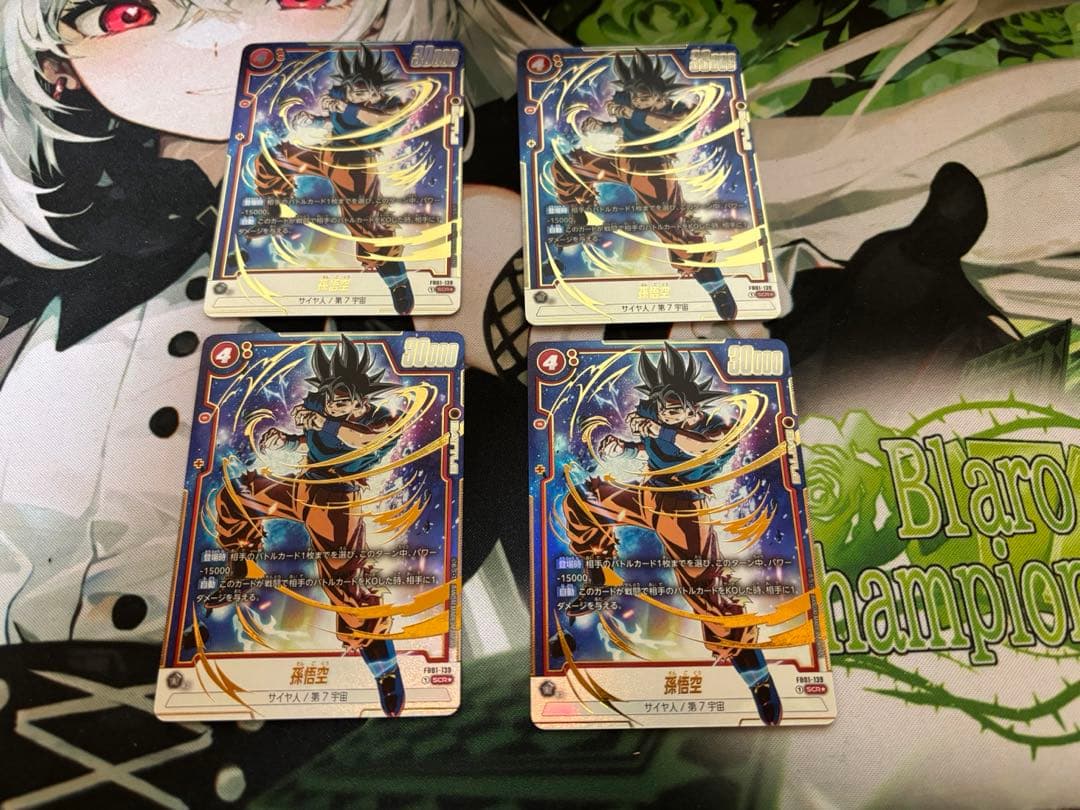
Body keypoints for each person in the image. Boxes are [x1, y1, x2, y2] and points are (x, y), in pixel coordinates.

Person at [562, 344, 781, 724]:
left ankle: (758, 679)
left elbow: (700, 448)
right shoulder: (659, 418)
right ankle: (599, 579)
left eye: (673, 406)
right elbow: (651, 449)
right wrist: (625, 447)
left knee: (707, 595)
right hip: (648, 496)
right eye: (661, 405)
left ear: (693, 406)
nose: (664, 412)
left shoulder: (717, 427)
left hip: (685, 511)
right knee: (583, 500)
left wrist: (660, 430)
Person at [212, 335, 406, 715]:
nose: (332, 404)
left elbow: (361, 441)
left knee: (345, 590)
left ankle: (385, 671)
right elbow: (317, 439)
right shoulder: (325, 409)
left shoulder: (383, 419)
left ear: (361, 400)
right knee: (236, 495)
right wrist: (290, 438)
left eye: (342, 399)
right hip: (301, 488)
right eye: (329, 397)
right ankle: (241, 571)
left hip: (337, 505)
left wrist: (324, 422)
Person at [552, 50, 738, 319]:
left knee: (673, 228)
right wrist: (600, 126)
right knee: (569, 165)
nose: (637, 99)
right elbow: (623, 131)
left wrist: (631, 113)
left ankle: (716, 287)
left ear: (660, 95)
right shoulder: (632, 107)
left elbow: (665, 127)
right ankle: (579, 220)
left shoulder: (675, 111)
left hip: (653, 171)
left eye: (644, 95)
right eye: (634, 94)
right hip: (622, 160)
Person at [253, 47, 418, 314]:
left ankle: (397, 282)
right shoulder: (345, 99)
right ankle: (273, 210)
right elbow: (339, 122)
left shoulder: (386, 108)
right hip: (327, 153)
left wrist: (345, 107)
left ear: (375, 91)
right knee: (272, 159)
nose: (355, 93)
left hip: (355, 166)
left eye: (361, 89)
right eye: (352, 88)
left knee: (366, 224)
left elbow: (378, 121)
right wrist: (316, 118)